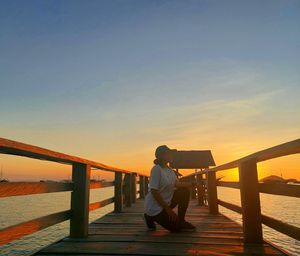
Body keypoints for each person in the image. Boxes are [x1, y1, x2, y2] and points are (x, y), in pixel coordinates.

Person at [143, 145, 196, 232]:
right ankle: (149, 217)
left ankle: (181, 220)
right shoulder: (156, 169)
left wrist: (193, 184)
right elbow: (154, 191)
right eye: (169, 153)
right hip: (155, 207)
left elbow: (176, 184)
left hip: (167, 202)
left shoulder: (170, 170)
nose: (171, 155)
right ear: (161, 156)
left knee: (184, 191)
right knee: (176, 228)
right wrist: (168, 210)